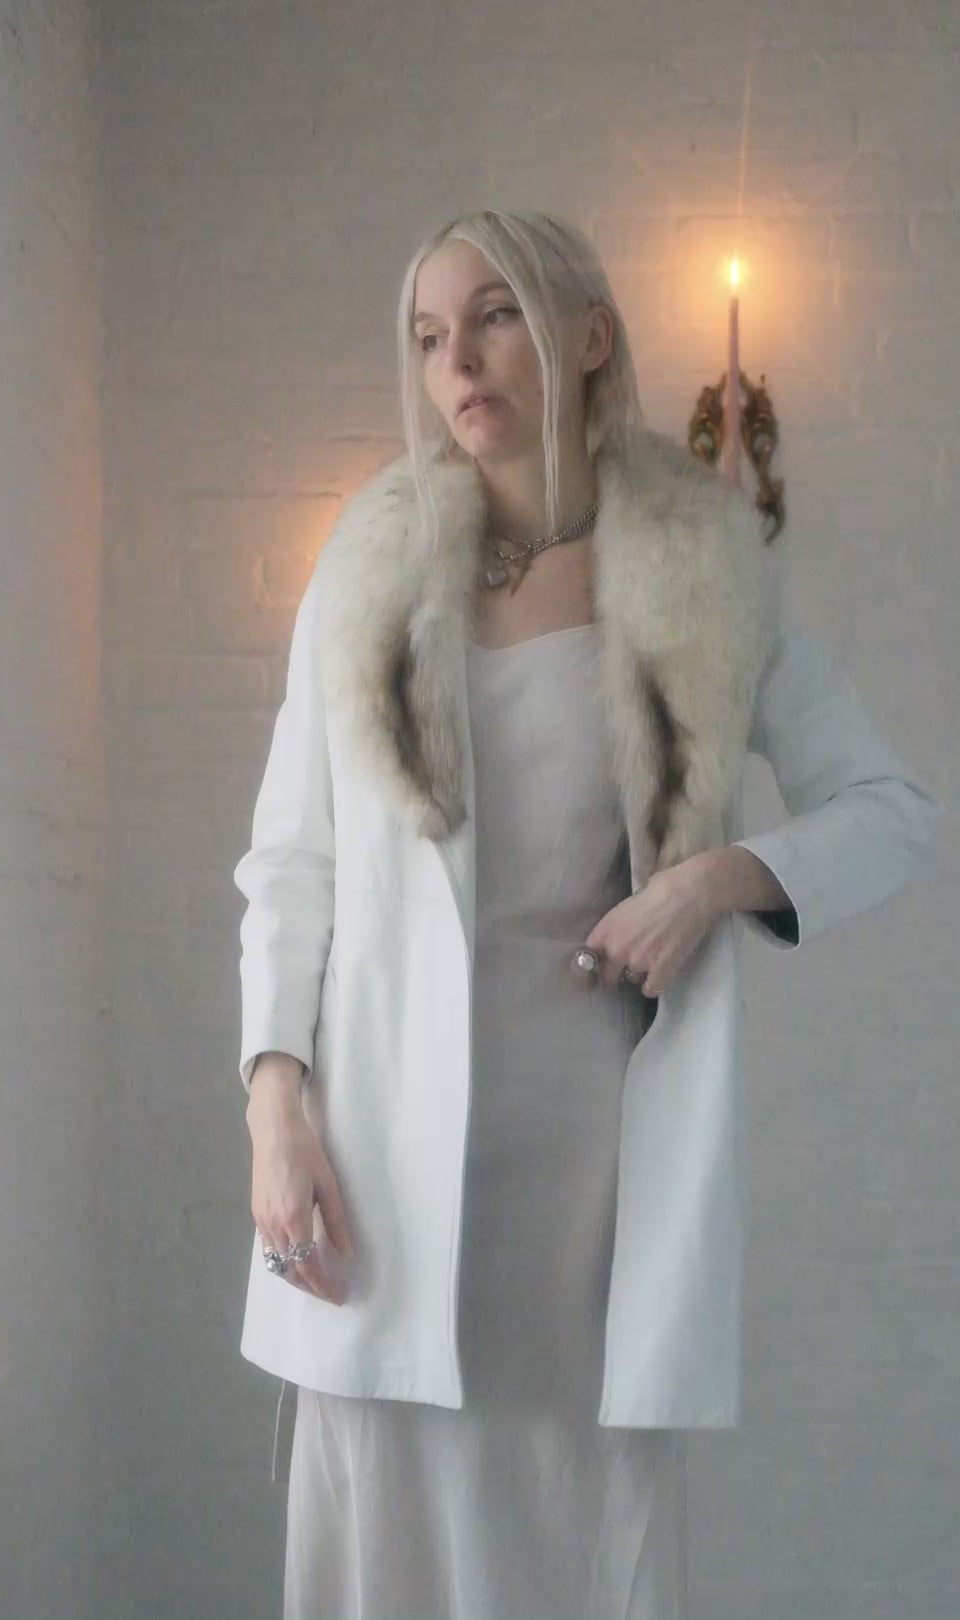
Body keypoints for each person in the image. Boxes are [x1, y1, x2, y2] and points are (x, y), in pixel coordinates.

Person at [233, 209, 944, 1620]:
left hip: (591, 1178)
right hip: (377, 1162)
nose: (457, 362)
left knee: (574, 1547)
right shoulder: (365, 571)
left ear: (590, 335)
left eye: (494, 316)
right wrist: (275, 1110)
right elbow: (289, 866)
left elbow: (894, 809)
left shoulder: (702, 569)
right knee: (385, 1552)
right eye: (429, 336)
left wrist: (714, 880)